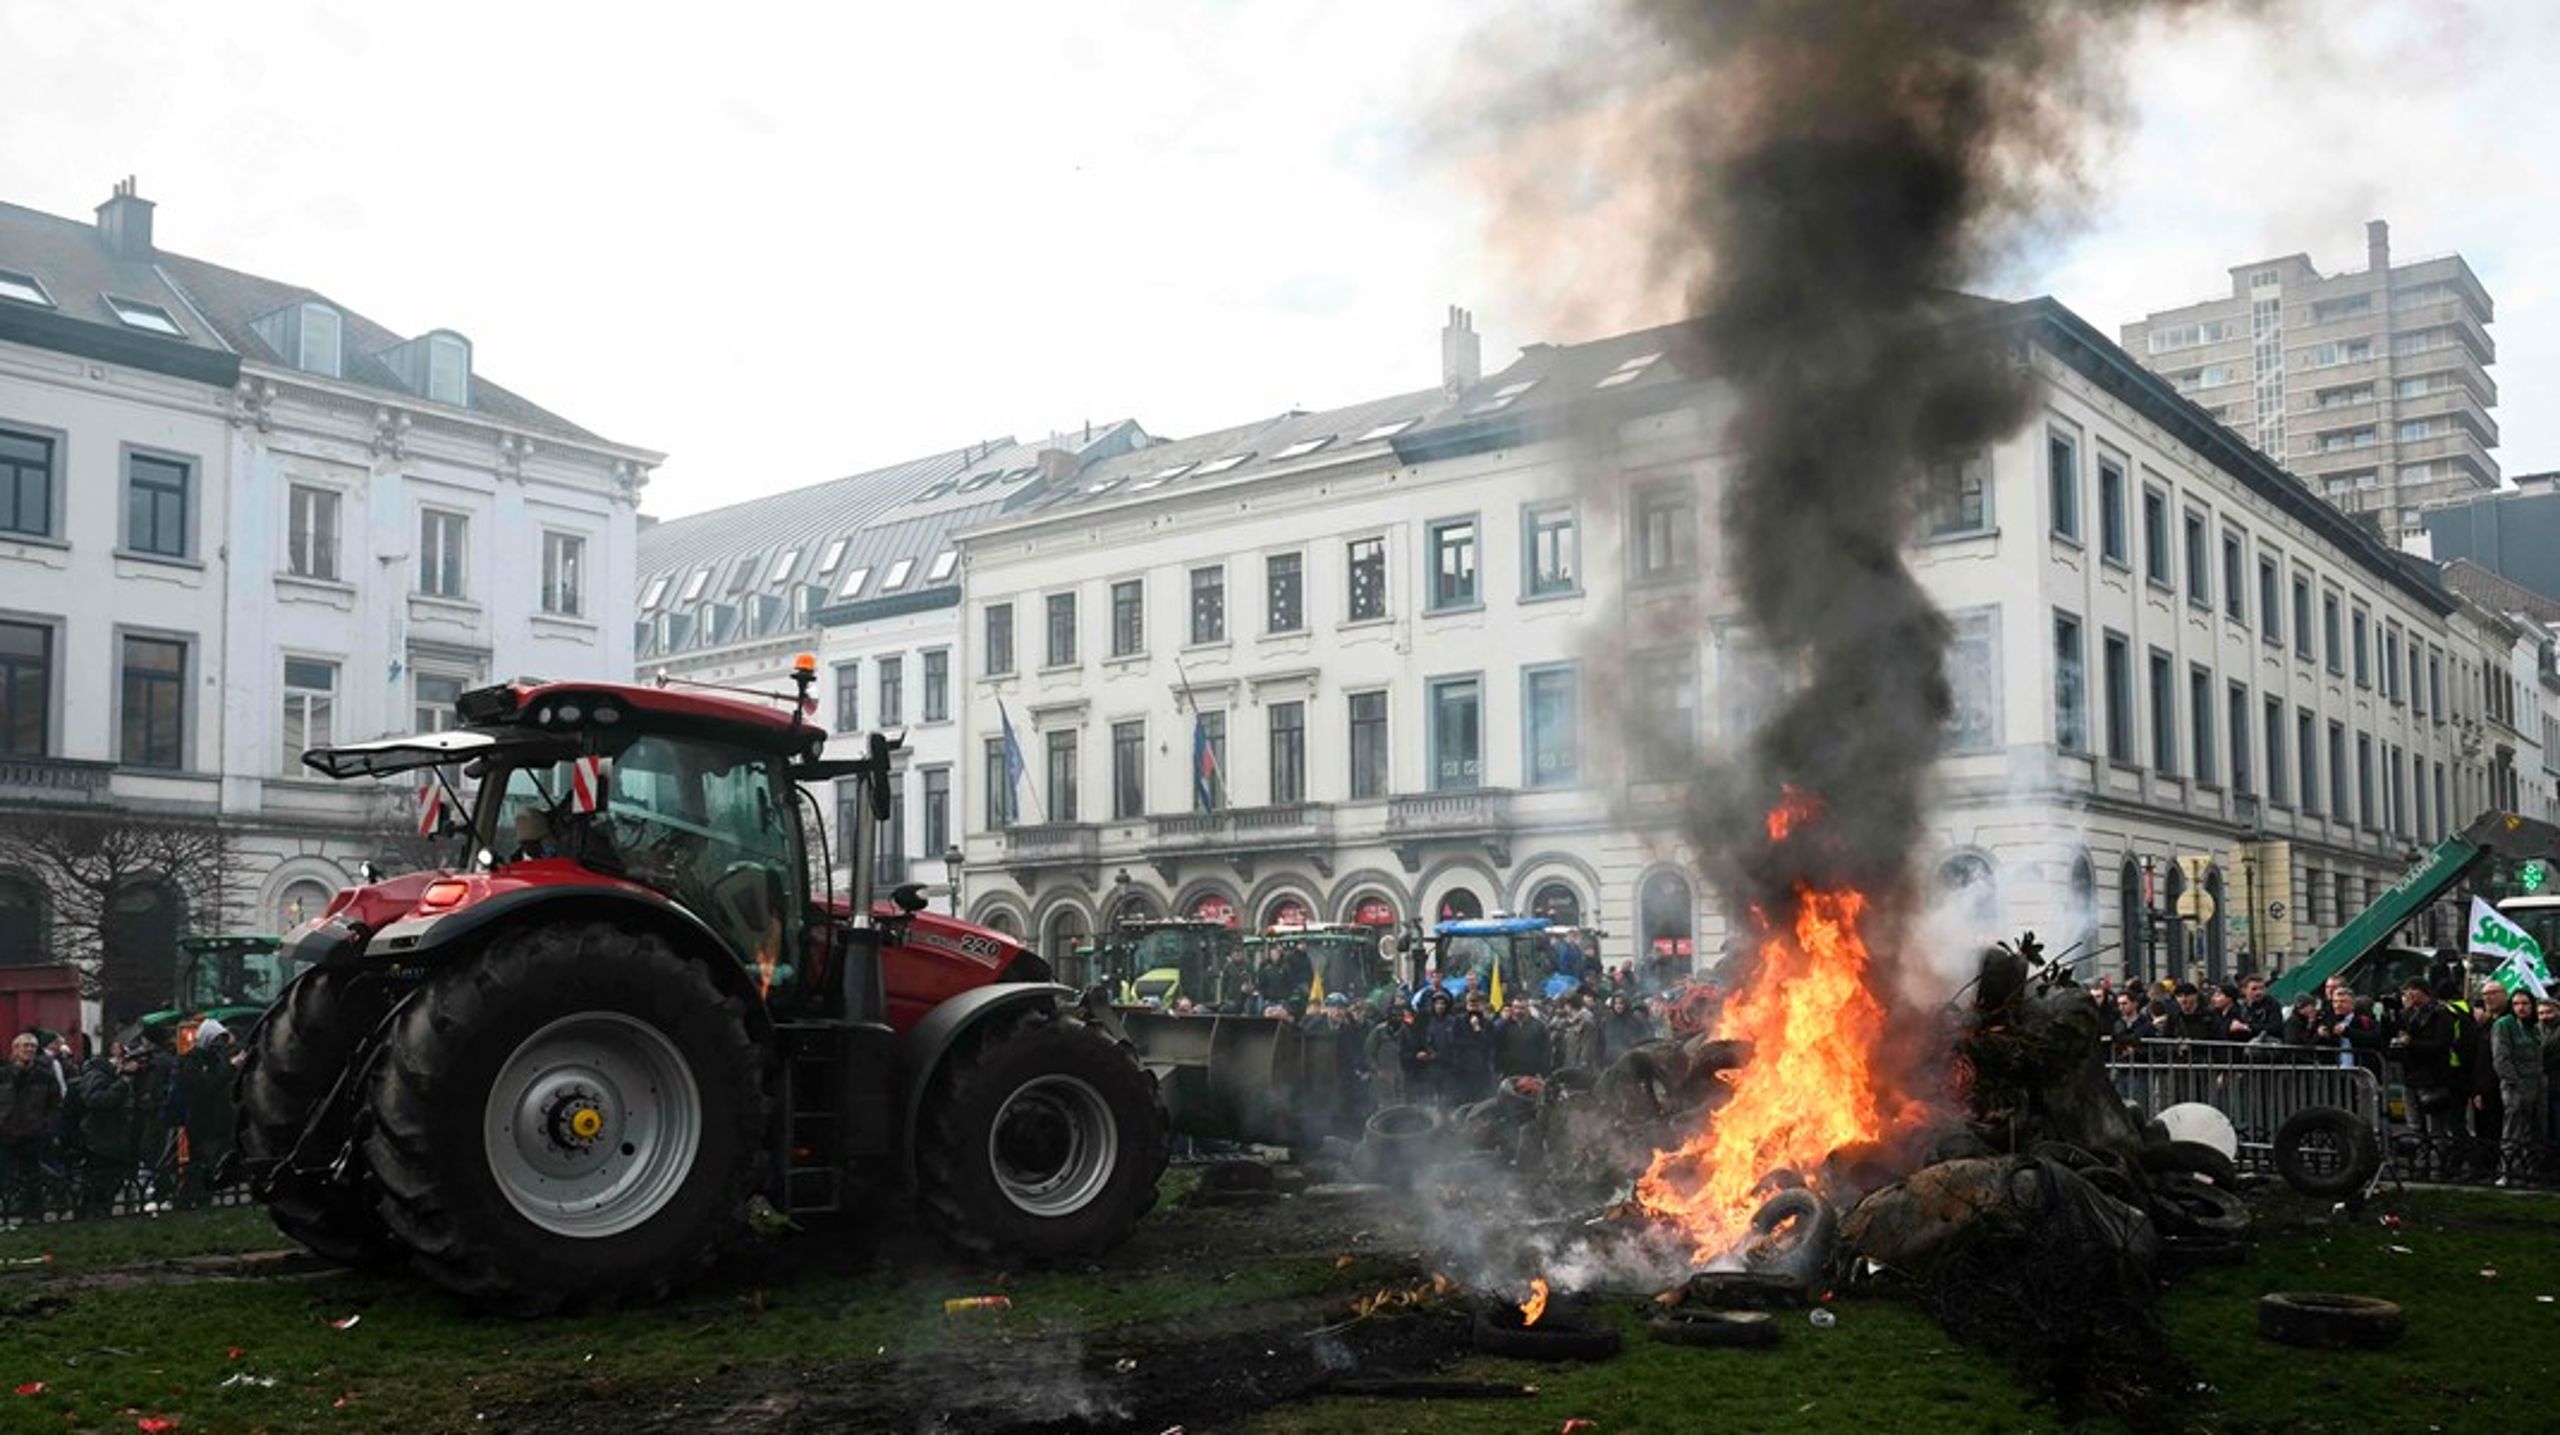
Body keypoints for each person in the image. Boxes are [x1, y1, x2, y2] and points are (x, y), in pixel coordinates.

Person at [172, 1019, 240, 1209]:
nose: (219, 1046)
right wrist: (230, 1068)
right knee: (201, 1163)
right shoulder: (191, 1061)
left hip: (220, 1120)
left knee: (214, 1162)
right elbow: (205, 1088)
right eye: (216, 1041)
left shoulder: (218, 1059)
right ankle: (188, 1200)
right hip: (202, 1121)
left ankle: (203, 1199)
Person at [2391, 977, 2460, 1143]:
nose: (2408, 995)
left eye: (2411, 990)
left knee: (2435, 1127)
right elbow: (2397, 1035)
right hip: (2410, 1076)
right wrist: (2402, 1015)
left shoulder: (2441, 1013)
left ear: (2422, 991)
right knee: (2414, 1125)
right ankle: (2420, 1161)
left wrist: (2412, 1043)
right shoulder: (2408, 1014)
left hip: (2433, 1077)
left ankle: (2438, 1163)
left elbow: (2441, 1044)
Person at [1, 1032, 60, 1227]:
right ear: (15, 1049)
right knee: (5, 1175)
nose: (29, 1050)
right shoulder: (4, 1074)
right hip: (5, 1132)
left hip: (32, 1132)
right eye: (25, 1046)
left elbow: (54, 1104)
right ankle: (6, 1213)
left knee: (32, 1177)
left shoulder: (45, 1076)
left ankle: (33, 1215)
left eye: (33, 1047)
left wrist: (45, 1126)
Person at [2489, 988, 2544, 1186]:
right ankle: (2506, 1172)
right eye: (2516, 1003)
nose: (2521, 1007)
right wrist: (2515, 1084)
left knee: (2531, 1132)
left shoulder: (2534, 1027)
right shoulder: (2504, 1025)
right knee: (2512, 1131)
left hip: (2536, 1085)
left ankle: (2528, 1172)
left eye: (2525, 1003)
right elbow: (2501, 1059)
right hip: (2514, 1086)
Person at [75, 1043, 136, 1218]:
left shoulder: (107, 1076)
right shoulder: (97, 1075)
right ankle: (92, 1214)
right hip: (101, 1138)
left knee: (110, 1180)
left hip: (111, 1137)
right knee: (99, 1181)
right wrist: (123, 1082)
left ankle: (99, 1212)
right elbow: (97, 1100)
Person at [1495, 999, 1551, 1080]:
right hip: (1508, 1073)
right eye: (1515, 1007)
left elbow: (1545, 1051)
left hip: (1531, 1074)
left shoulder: (1539, 1027)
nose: (1518, 1011)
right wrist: (1498, 1070)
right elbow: (1497, 1049)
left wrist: (1542, 1072)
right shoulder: (1503, 1027)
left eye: (1522, 1008)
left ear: (1527, 1008)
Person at [2231, 976, 2283, 1042]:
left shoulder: (2271, 1004)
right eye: (2254, 989)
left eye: (2262, 988)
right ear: (2244, 990)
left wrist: (2247, 1027)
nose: (2259, 992)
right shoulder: (2241, 1007)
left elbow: (2275, 1027)